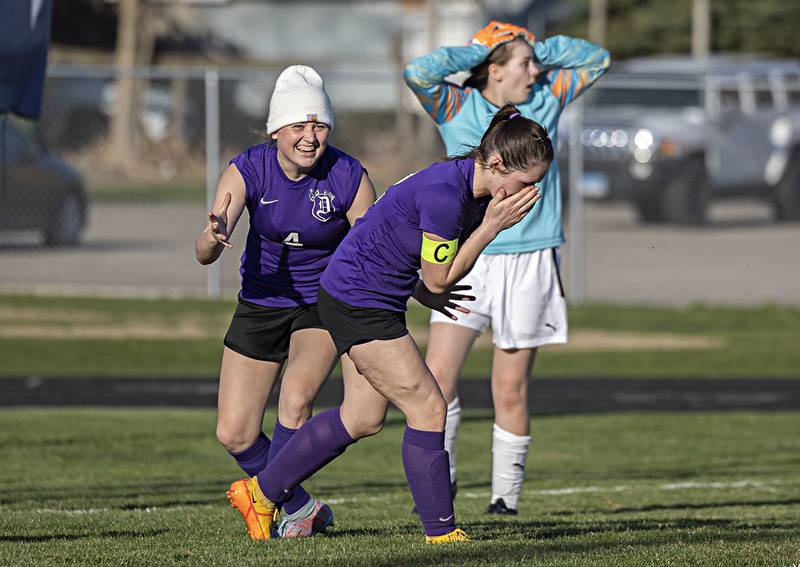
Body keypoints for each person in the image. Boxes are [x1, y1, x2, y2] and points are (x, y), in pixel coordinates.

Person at [225, 103, 554, 544]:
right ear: (496, 164)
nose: (531, 193)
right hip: (359, 302)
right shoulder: (448, 194)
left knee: (362, 417)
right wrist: (490, 228)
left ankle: (260, 493)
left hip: (364, 297)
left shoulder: (469, 185)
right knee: (429, 406)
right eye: (528, 182)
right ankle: (441, 532)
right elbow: (439, 273)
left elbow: (409, 249)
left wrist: (425, 287)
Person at [403, 21, 610, 515]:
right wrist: (478, 49)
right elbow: (418, 72)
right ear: (494, 71)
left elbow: (596, 58)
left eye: (534, 62)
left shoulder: (547, 97)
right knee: (437, 379)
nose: (536, 71)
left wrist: (535, 45)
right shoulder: (458, 105)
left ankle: (504, 501)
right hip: (468, 256)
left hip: (530, 261)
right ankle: (442, 482)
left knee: (509, 388)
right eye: (523, 64)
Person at [194, 65, 377, 539]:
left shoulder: (348, 175)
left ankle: (272, 504)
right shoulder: (248, 168)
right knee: (233, 432)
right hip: (261, 299)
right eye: (299, 126)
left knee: (296, 399)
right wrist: (214, 237)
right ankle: (298, 505)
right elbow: (204, 251)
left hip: (322, 300)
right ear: (277, 129)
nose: (310, 137)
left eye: (319, 126)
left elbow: (373, 245)